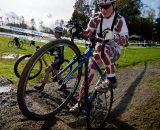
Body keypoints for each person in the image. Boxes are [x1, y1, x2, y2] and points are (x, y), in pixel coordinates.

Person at [69, 0, 129, 112]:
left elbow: (126, 41)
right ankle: (80, 102)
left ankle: (112, 80)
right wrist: (78, 31)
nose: (104, 10)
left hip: (114, 49)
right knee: (88, 74)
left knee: (102, 47)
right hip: (99, 49)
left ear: (114, 5)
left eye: (107, 6)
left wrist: (113, 36)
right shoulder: (96, 17)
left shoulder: (119, 20)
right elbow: (88, 33)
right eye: (102, 6)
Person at [34, 26, 65, 91]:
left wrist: (41, 49)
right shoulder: (58, 40)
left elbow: (49, 47)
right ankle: (63, 84)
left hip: (59, 59)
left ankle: (42, 86)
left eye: (55, 32)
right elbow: (52, 49)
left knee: (47, 70)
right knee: (57, 73)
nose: (54, 33)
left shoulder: (59, 41)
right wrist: (49, 51)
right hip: (58, 58)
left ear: (58, 33)